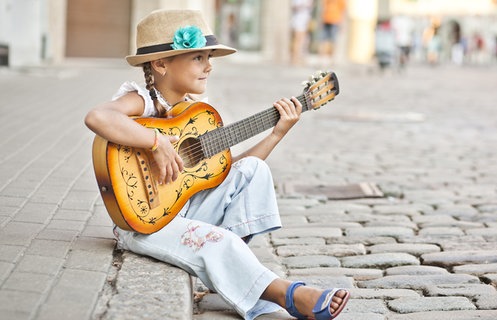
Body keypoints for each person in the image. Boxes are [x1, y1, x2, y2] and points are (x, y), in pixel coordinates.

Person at [84, 9, 350, 320]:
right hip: (143, 221)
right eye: (198, 58)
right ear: (160, 64)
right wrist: (155, 143)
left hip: (184, 208)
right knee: (218, 241)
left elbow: (222, 173)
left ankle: (229, 274)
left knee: (254, 171)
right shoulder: (144, 100)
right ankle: (288, 294)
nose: (209, 66)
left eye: (209, 57)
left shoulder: (197, 114)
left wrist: (277, 133)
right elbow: (97, 117)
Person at [318, 0, 346, 65]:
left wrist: (342, 23)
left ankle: (332, 60)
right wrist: (321, 20)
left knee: (333, 41)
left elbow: (343, 10)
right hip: (325, 20)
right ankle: (321, 59)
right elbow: (323, 8)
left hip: (335, 20)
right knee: (322, 40)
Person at [290, 0, 314, 66]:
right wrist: (303, 5)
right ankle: (295, 59)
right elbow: (293, 7)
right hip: (298, 21)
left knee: (304, 41)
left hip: (306, 21)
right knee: (297, 40)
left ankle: (301, 58)